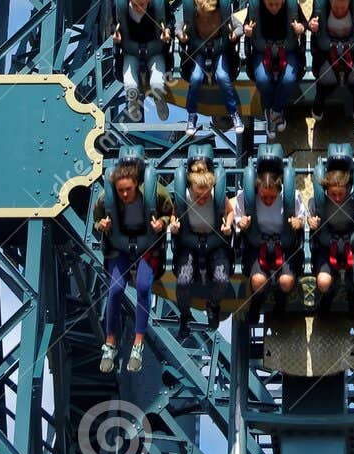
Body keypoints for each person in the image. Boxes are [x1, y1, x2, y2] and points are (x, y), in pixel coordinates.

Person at [95, 158, 171, 374]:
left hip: (146, 247)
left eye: (129, 190)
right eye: (121, 191)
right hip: (120, 247)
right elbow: (96, 218)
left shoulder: (156, 193)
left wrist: (162, 223)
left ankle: (138, 343)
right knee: (116, 288)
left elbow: (170, 211)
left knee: (144, 287)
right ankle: (110, 342)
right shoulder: (106, 198)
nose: (125, 195)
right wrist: (101, 225)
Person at [232, 153, 306, 318]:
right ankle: (256, 302)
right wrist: (241, 222)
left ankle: (281, 301)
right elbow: (237, 218)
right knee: (258, 281)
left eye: (272, 197)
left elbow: (302, 218)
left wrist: (298, 223)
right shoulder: (245, 197)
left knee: (286, 281)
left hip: (284, 245)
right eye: (264, 196)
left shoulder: (292, 197)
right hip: (257, 245)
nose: (268, 201)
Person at [171, 155, 234, 339]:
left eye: (206, 195)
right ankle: (185, 314)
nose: (202, 199)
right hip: (190, 242)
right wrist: (174, 225)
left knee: (222, 280)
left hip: (214, 242)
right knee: (182, 281)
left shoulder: (216, 196)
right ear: (191, 188)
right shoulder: (186, 196)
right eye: (199, 196)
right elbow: (175, 214)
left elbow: (229, 212)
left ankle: (213, 305)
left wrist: (228, 225)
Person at [243, 0, 306, 135]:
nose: (273, 7)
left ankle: (275, 111)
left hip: (288, 50)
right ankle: (273, 111)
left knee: (288, 79)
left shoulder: (291, 6)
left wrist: (301, 28)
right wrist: (246, 30)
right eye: (270, 4)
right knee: (263, 79)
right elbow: (245, 26)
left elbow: (305, 24)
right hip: (263, 51)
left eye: (277, 3)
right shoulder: (256, 8)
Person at [308, 156, 354, 319]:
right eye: (333, 194)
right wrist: (310, 222)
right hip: (328, 244)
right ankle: (328, 295)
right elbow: (309, 216)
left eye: (341, 193)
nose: (337, 198)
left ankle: (353, 295)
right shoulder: (317, 200)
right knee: (324, 281)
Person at [180, 0, 244, 135]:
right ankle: (191, 115)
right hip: (201, 51)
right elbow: (180, 26)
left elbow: (239, 26)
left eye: (209, 16)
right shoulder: (194, 17)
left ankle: (234, 113)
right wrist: (180, 34)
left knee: (222, 76)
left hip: (219, 51)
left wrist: (235, 34)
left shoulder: (222, 15)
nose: (205, 20)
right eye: (202, 16)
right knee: (195, 77)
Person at [113, 0, 170, 123]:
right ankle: (133, 103)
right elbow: (113, 25)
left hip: (154, 50)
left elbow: (169, 23)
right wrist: (116, 37)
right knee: (130, 86)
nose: (138, 9)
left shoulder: (159, 7)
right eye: (135, 5)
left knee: (157, 83)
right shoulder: (121, 10)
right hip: (132, 51)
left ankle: (160, 101)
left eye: (142, 5)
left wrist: (167, 34)